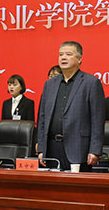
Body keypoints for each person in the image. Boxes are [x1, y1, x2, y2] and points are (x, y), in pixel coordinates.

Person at [37, 41, 105, 171]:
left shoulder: (91, 83)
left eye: (68, 54)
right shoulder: (49, 84)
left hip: (79, 148)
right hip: (51, 148)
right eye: (61, 54)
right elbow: (42, 118)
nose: (63, 57)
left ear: (79, 59)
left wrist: (95, 150)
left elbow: (97, 120)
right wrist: (41, 148)